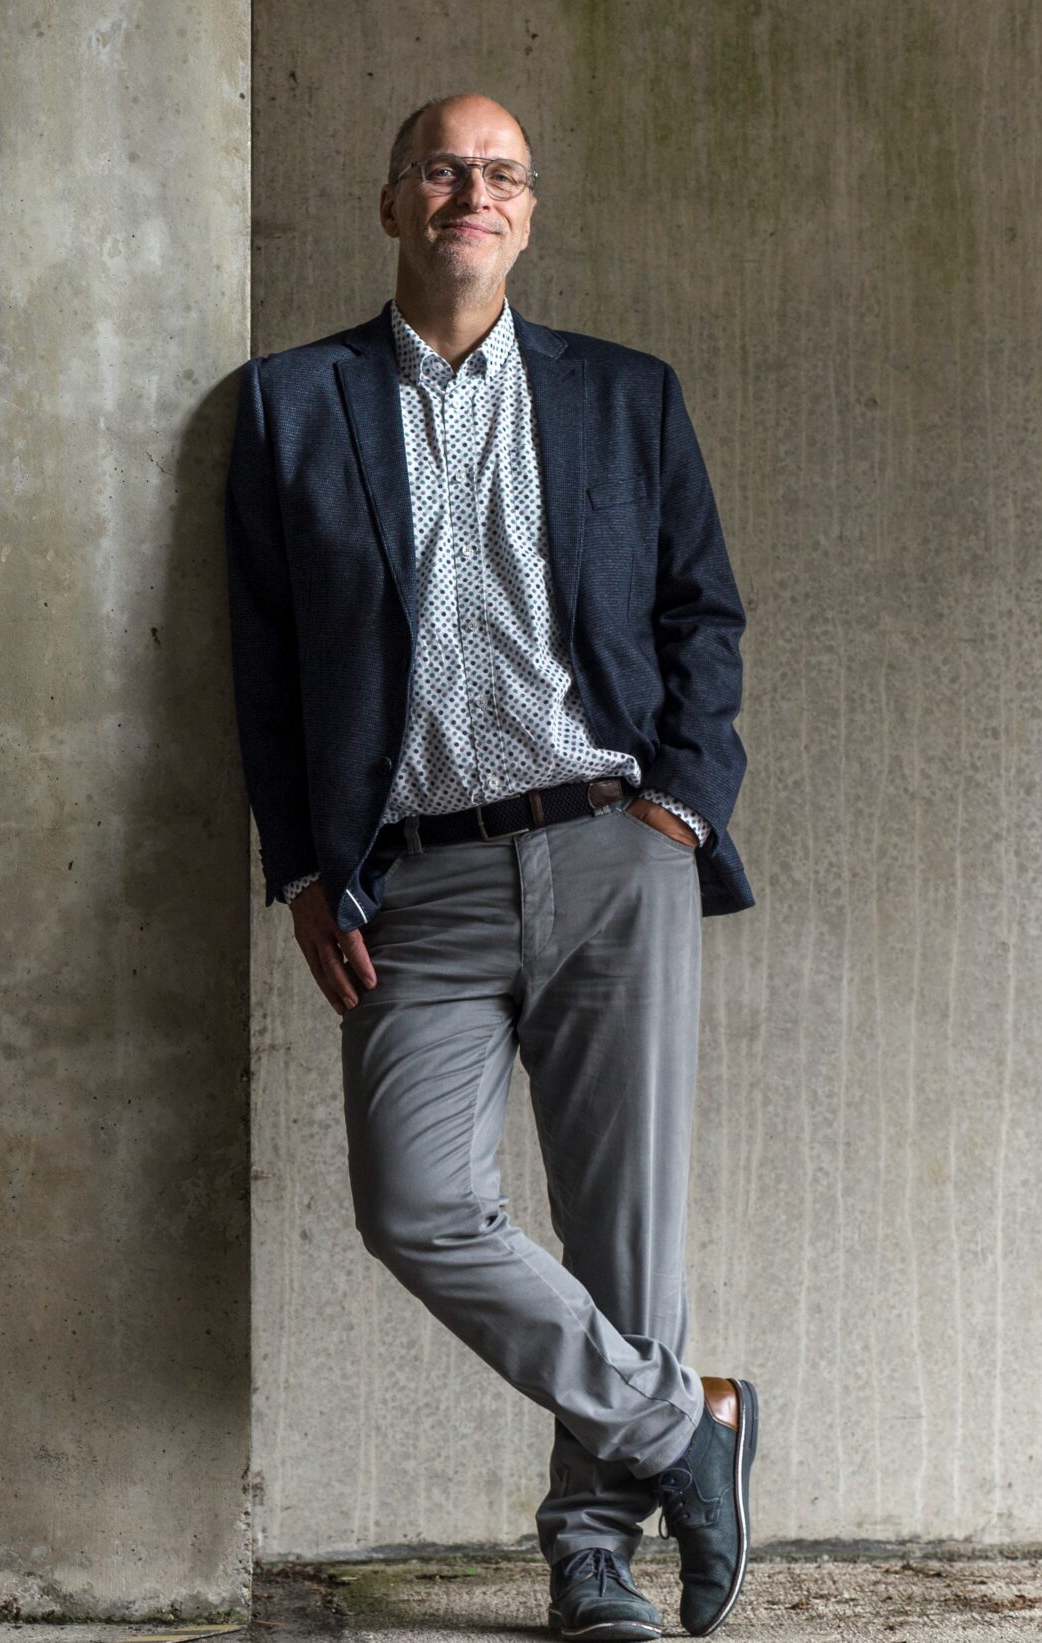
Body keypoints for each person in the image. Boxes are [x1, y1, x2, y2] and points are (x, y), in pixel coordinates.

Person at [224, 93, 759, 1641]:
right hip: (416, 880)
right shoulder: (287, 406)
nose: (475, 190)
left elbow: (699, 616)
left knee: (623, 1229)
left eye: (503, 172)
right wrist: (306, 873)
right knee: (416, 1205)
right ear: (394, 202)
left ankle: (594, 1553)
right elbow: (265, 671)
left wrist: (684, 805)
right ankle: (682, 1431)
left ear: (529, 210)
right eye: (446, 168)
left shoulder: (624, 397)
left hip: (613, 848)